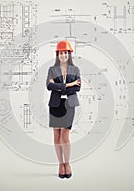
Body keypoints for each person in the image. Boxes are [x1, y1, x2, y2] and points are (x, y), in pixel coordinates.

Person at [46, 40, 81, 179]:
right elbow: (49, 86)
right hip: (55, 104)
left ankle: (67, 163)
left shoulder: (75, 69)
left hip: (69, 105)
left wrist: (59, 85)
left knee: (65, 136)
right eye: (61, 53)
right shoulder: (52, 70)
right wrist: (69, 84)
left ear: (69, 54)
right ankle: (60, 164)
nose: (63, 55)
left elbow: (77, 88)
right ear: (57, 54)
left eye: (65, 53)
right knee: (56, 136)